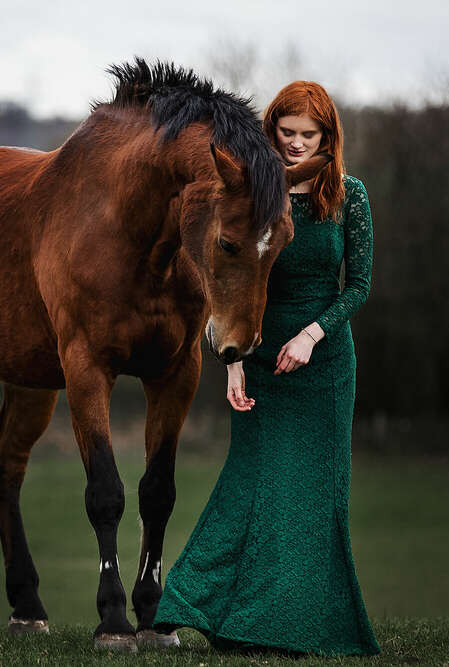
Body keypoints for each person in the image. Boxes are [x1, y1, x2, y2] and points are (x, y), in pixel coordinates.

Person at [153, 81, 380, 656]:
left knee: (312, 498)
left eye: (310, 135)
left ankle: (293, 627)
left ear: (329, 137)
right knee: (251, 486)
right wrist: (234, 366)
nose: (298, 144)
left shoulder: (349, 196)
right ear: (270, 131)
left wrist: (312, 333)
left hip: (323, 360)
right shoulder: (255, 197)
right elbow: (234, 286)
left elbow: (357, 287)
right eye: (287, 133)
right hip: (259, 354)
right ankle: (199, 609)